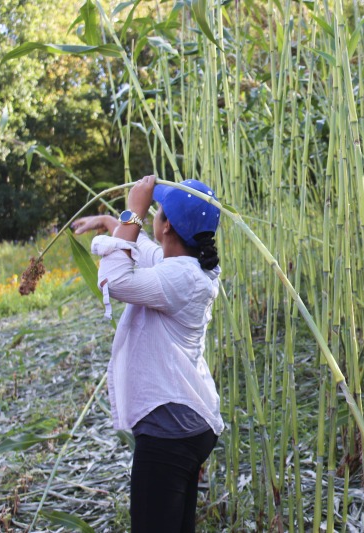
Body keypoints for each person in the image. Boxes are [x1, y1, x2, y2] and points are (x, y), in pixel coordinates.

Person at [72, 175, 224, 533]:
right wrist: (108, 222)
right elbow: (138, 244)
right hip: (189, 421)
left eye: (154, 212)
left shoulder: (179, 278)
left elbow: (116, 280)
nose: (148, 216)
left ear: (166, 224)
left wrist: (134, 209)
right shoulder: (188, 264)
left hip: (170, 430)